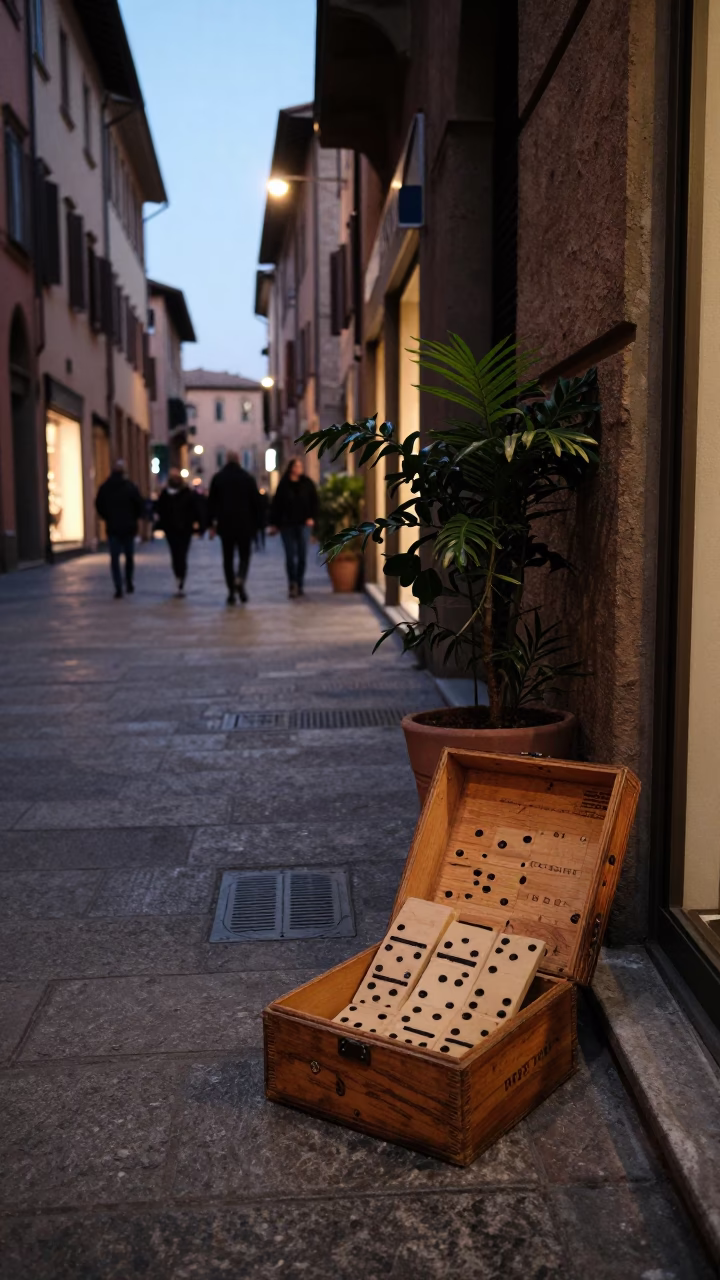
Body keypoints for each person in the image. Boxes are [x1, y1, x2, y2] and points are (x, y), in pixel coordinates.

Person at [207, 450, 262, 604]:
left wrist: (210, 524)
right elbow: (256, 503)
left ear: (226, 460)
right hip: (245, 524)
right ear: (239, 460)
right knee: (245, 556)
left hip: (226, 525)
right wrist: (259, 524)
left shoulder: (218, 478)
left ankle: (231, 591)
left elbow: (211, 504)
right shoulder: (247, 478)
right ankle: (241, 579)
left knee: (228, 558)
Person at [267, 457, 318, 597]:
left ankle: (299, 582)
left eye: (300, 466)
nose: (298, 468)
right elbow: (276, 505)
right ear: (291, 468)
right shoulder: (283, 485)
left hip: (304, 524)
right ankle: (292, 583)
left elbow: (315, 502)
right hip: (287, 525)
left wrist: (312, 518)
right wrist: (274, 524)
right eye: (296, 466)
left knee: (302, 555)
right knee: (290, 556)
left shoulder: (307, 484)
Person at [95, 459, 144, 599]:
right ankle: (128, 581)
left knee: (115, 558)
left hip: (113, 527)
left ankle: (118, 586)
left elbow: (99, 505)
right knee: (129, 556)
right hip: (128, 527)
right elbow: (139, 505)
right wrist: (134, 519)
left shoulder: (105, 487)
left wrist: (107, 518)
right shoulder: (130, 487)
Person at [155, 468, 202, 595]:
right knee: (177, 555)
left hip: (183, 529)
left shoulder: (186, 493)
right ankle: (179, 576)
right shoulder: (167, 494)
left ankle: (180, 577)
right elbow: (160, 510)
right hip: (174, 529)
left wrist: (198, 525)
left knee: (180, 554)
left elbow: (195, 509)